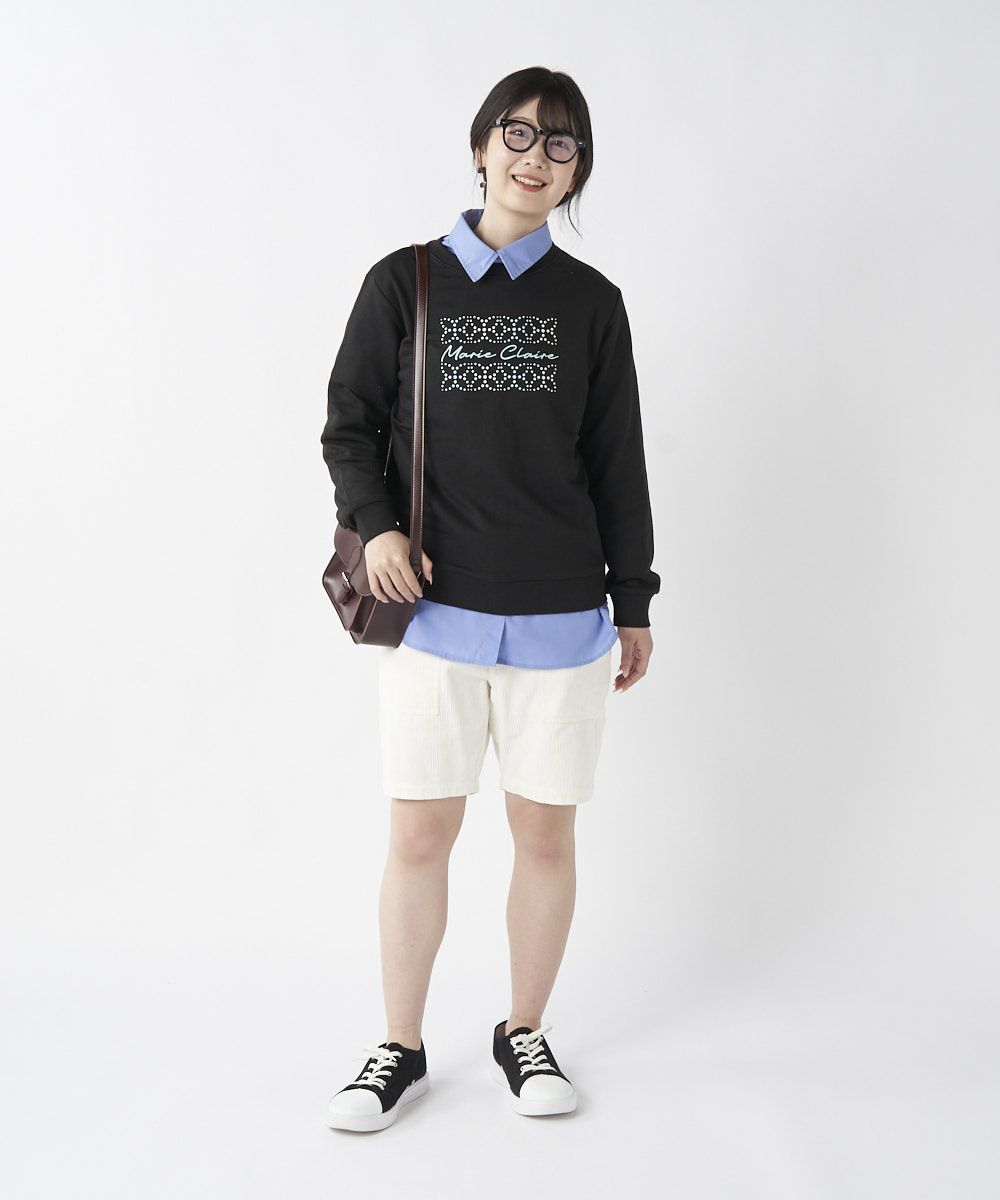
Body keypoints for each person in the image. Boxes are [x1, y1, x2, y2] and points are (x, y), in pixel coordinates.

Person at [321, 66, 660, 1132]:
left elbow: (617, 463)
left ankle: (524, 1031)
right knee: (419, 837)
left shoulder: (591, 304)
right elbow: (347, 424)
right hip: (432, 618)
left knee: (544, 837)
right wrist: (378, 525)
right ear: (480, 147)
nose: (535, 157)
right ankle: (400, 1045)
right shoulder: (406, 281)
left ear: (576, 171)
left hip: (562, 619)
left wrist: (634, 600)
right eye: (518, 133)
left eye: (561, 144)